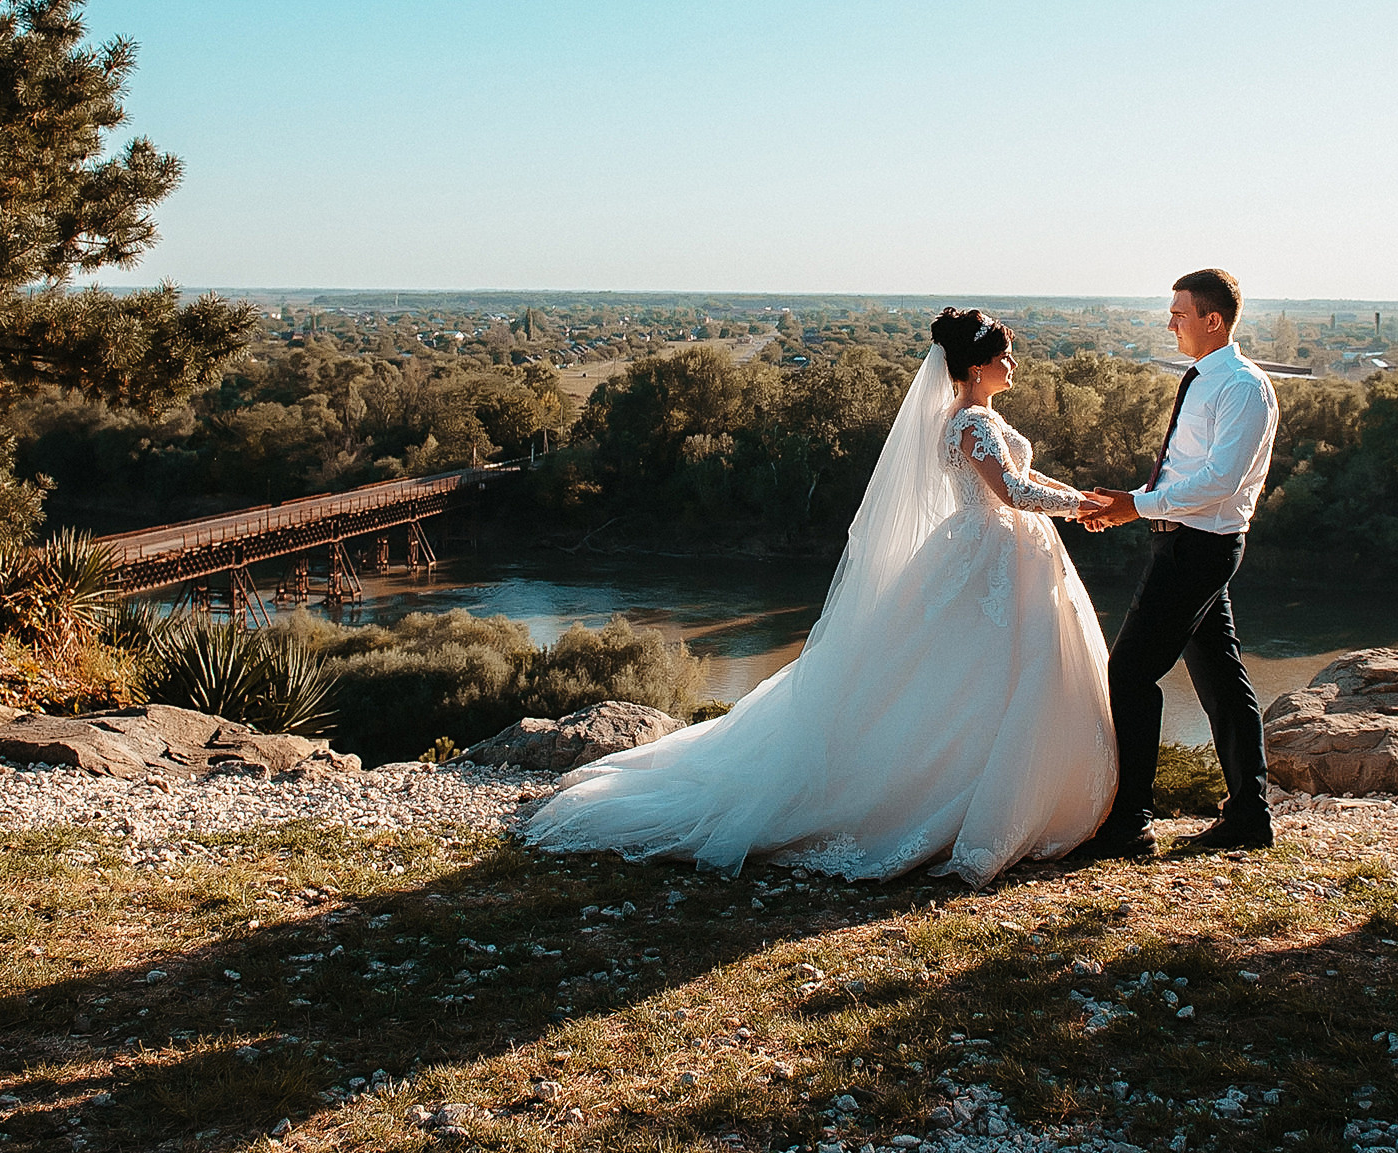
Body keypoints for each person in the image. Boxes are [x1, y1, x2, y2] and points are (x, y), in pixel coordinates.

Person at [521, 308, 1116, 886]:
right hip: (990, 550)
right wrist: (1079, 508)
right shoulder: (971, 423)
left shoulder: (979, 416)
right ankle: (966, 800)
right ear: (977, 366)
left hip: (1003, 550)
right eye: (1005, 356)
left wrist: (1085, 500)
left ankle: (1003, 792)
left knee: (992, 671)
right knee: (977, 674)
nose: (1014, 364)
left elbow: (1027, 479)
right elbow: (1011, 492)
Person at [1070, 268, 1280, 858]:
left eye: (1179, 314)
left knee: (1130, 674)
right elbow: (1185, 474)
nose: (1170, 325)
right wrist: (1127, 504)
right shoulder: (1205, 379)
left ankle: (1131, 823)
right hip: (1182, 540)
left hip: (1199, 548)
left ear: (1213, 320)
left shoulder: (1242, 387)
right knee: (1221, 678)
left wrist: (1135, 506)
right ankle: (1249, 816)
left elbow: (1219, 483)